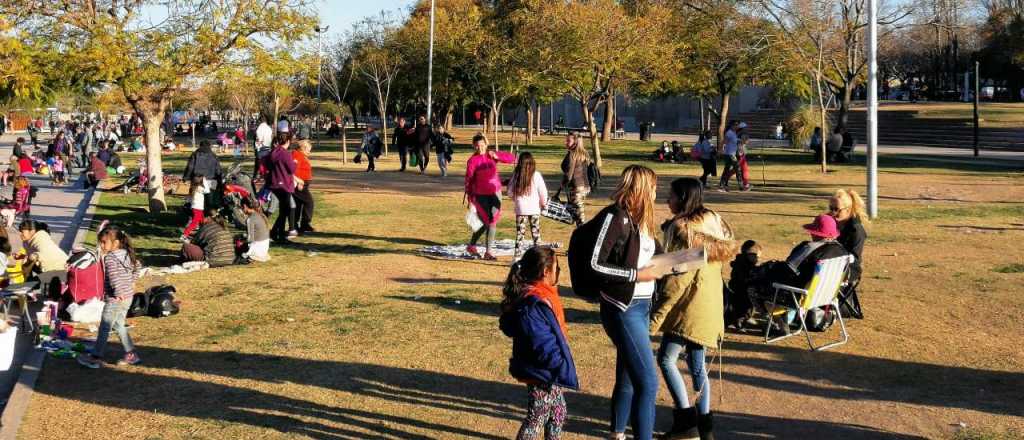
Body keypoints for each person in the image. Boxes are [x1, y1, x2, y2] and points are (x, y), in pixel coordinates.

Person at [588, 165, 671, 440]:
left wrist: (680, 262)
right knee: (648, 383)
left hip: (643, 307)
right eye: (654, 186)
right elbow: (595, 264)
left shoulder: (641, 221)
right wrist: (637, 275)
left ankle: (616, 433)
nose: (658, 192)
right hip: (623, 310)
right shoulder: (615, 217)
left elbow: (656, 257)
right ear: (641, 189)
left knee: (627, 375)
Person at [650, 177, 736, 440]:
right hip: (709, 302)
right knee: (697, 365)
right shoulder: (713, 221)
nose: (667, 200)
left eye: (672, 196)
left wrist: (655, 318)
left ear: (683, 199)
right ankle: (705, 425)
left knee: (666, 359)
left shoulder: (682, 230)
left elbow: (677, 278)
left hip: (689, 306)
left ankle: (686, 423)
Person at [499, 246, 578, 440]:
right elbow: (541, 342)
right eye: (557, 270)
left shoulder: (543, 295)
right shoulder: (533, 304)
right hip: (542, 370)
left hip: (548, 368)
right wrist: (559, 364)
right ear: (545, 272)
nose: (558, 274)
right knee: (537, 416)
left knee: (558, 411)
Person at [77, 225, 141, 369]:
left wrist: (118, 293)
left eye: (104, 242)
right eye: (101, 242)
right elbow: (138, 266)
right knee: (119, 325)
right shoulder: (127, 253)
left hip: (116, 299)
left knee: (104, 327)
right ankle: (131, 354)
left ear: (116, 243)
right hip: (127, 297)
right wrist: (131, 283)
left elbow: (113, 278)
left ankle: (95, 357)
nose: (102, 245)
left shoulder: (110, 258)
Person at [464, 133, 515, 260]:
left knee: (492, 221)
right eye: (476, 146)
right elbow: (468, 181)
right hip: (480, 196)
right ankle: (474, 246)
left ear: (486, 144)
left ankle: (487, 251)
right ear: (473, 146)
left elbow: (512, 158)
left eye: (482, 145)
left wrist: (497, 156)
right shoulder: (472, 161)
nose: (479, 148)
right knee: (485, 222)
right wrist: (470, 200)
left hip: (495, 193)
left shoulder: (491, 155)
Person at [830, 189, 868, 315]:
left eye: (837, 209)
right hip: (830, 263)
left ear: (848, 209)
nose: (832, 212)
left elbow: (854, 258)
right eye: (831, 208)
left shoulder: (856, 230)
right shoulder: (831, 222)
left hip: (850, 268)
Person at [507, 152, 548, 261]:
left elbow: (510, 191)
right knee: (536, 234)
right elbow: (543, 192)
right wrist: (543, 203)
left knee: (520, 234)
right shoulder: (536, 175)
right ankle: (539, 258)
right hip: (534, 209)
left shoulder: (516, 175)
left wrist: (515, 199)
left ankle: (516, 257)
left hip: (521, 209)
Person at [19, 220, 68, 299]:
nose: (20, 234)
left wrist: (34, 256)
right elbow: (33, 254)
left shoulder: (41, 239)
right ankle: (29, 290)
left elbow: (45, 252)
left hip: (61, 269)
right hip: (47, 266)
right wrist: (23, 256)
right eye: (20, 232)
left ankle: (29, 288)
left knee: (32, 276)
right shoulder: (28, 241)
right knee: (26, 265)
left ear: (32, 231)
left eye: (22, 232)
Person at [265, 133, 298, 242]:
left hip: (274, 183)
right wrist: (295, 162)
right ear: (288, 142)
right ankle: (279, 234)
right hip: (284, 184)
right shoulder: (285, 154)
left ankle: (275, 232)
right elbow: (292, 169)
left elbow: (267, 165)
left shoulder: (273, 152)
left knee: (284, 210)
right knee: (285, 210)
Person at [560, 133, 591, 226]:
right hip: (584, 186)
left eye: (568, 141)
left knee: (579, 215)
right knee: (577, 211)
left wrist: (563, 183)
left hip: (576, 187)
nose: (566, 142)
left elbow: (569, 174)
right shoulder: (584, 154)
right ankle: (581, 231)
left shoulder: (572, 155)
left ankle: (582, 233)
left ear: (575, 142)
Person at [183, 140, 223, 207]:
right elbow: (218, 169)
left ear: (200, 146)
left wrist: (186, 177)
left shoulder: (195, 154)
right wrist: (220, 180)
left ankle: (197, 214)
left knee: (197, 201)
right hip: (211, 181)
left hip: (198, 181)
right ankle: (209, 214)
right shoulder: (213, 155)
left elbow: (190, 167)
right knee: (210, 201)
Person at [291, 139, 315, 235]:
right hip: (299, 184)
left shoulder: (301, 155)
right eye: (309, 149)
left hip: (303, 183)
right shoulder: (297, 155)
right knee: (309, 202)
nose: (310, 151)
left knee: (298, 205)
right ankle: (305, 223)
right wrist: (299, 182)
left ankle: (296, 226)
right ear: (303, 148)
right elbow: (293, 170)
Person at [240, 197, 271, 263]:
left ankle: (251, 256)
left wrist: (242, 242)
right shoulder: (261, 215)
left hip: (256, 250)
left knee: (239, 245)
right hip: (264, 248)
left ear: (245, 206)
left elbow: (250, 239)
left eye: (242, 208)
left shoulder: (250, 219)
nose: (242, 210)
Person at [181, 176, 209, 241]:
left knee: (202, 222)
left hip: (196, 207)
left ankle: (201, 235)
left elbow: (188, 199)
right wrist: (205, 180)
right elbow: (207, 191)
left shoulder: (193, 188)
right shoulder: (199, 188)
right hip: (198, 208)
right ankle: (184, 235)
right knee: (194, 223)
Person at [717, 121, 739, 191]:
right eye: (735, 125)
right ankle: (742, 185)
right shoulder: (729, 133)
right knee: (737, 168)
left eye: (737, 125)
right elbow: (724, 142)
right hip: (730, 154)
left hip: (732, 153)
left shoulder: (734, 133)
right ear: (731, 126)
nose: (737, 126)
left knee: (727, 169)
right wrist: (720, 150)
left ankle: (722, 184)